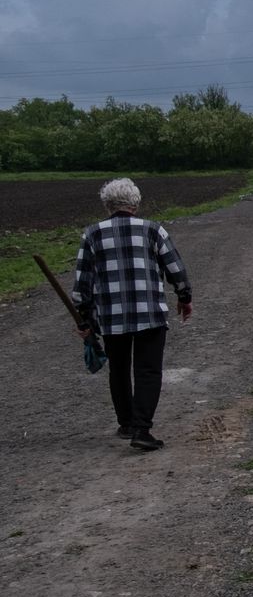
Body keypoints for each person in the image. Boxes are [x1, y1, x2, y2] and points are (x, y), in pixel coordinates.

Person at [70, 178, 192, 451]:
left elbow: (83, 281)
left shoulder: (92, 234)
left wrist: (84, 316)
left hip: (112, 316)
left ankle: (126, 423)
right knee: (148, 370)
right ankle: (142, 429)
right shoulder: (152, 230)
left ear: (107, 205)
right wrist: (184, 297)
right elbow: (175, 268)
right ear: (135, 203)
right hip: (149, 313)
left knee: (120, 369)